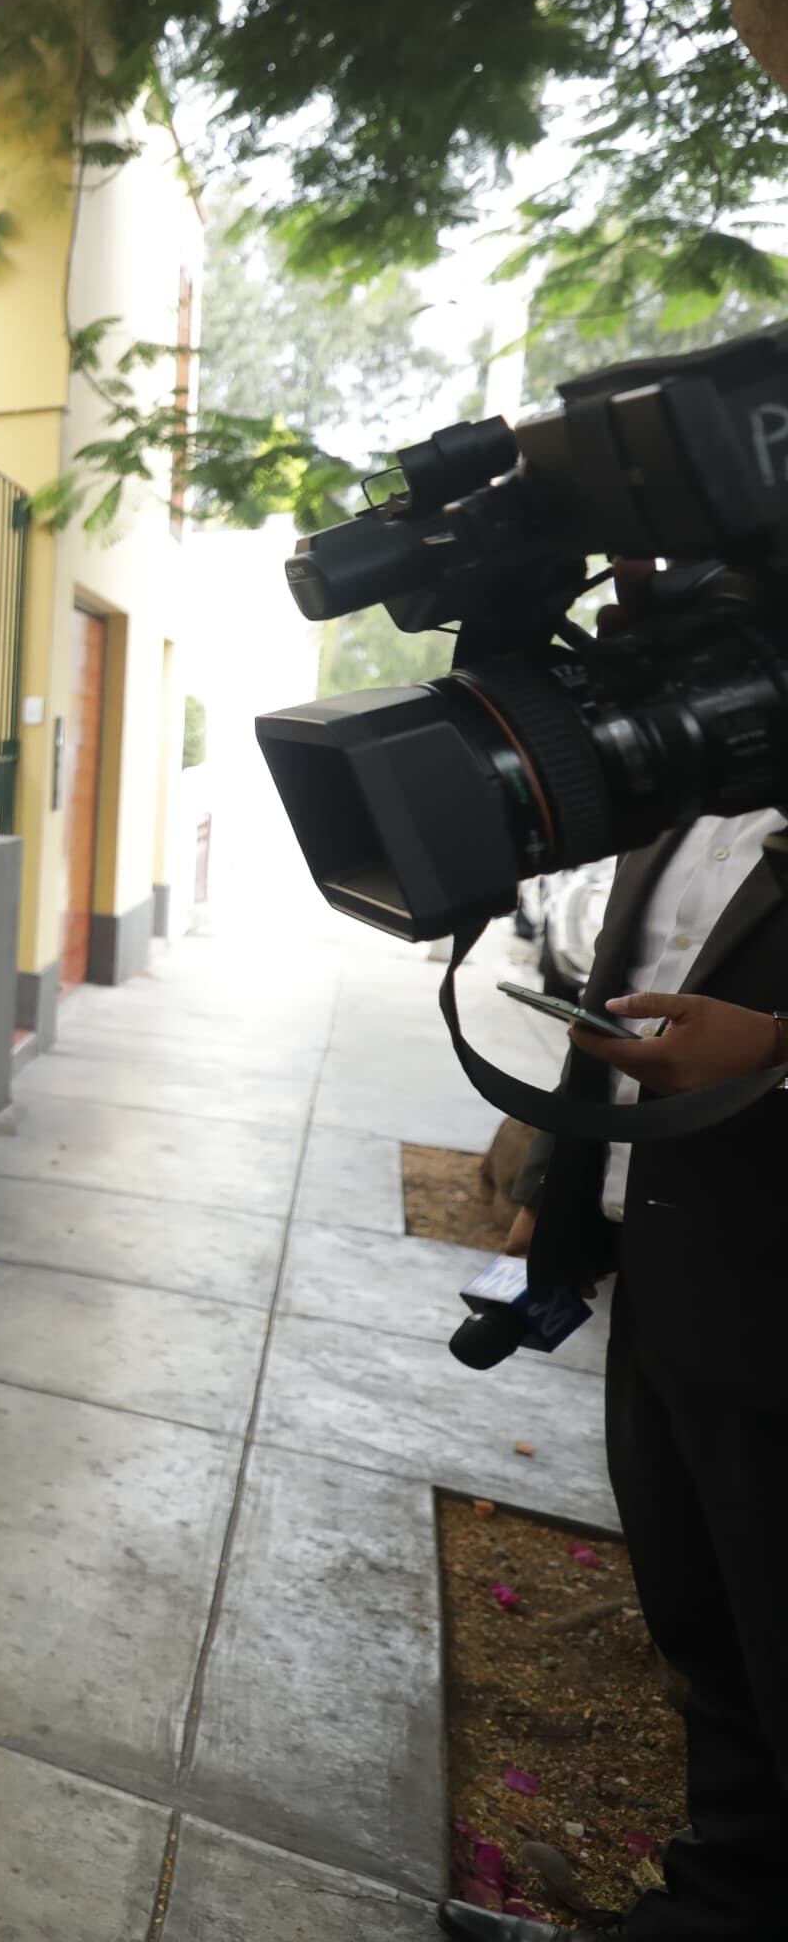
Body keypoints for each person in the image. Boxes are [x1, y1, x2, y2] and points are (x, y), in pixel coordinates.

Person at [452, 567, 788, 1942]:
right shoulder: (685, 787)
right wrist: (563, 1192)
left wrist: (779, 1052)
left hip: (775, 1318)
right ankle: (713, 1906)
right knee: (711, 1644)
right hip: (667, 1293)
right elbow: (615, 1007)